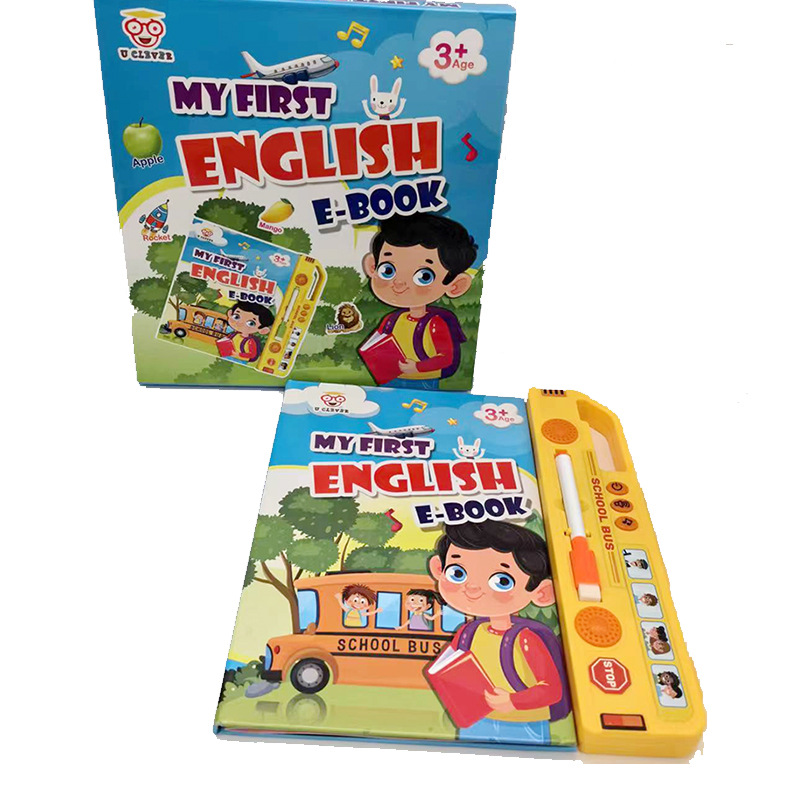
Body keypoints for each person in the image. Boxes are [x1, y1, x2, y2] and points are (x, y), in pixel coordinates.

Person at [427, 520, 567, 745]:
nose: (472, 587)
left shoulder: (525, 639)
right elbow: (446, 666)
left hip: (524, 723)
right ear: (438, 569)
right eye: (457, 573)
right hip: (475, 718)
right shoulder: (469, 632)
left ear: (542, 593)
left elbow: (551, 690)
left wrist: (513, 701)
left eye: (502, 581)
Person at [361, 213, 476, 389]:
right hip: (390, 378)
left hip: (423, 381)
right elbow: (377, 343)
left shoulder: (435, 323)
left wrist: (418, 367)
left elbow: (446, 358)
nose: (399, 283)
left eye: (424, 276)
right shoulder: (392, 319)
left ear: (455, 286)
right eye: (387, 270)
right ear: (372, 267)